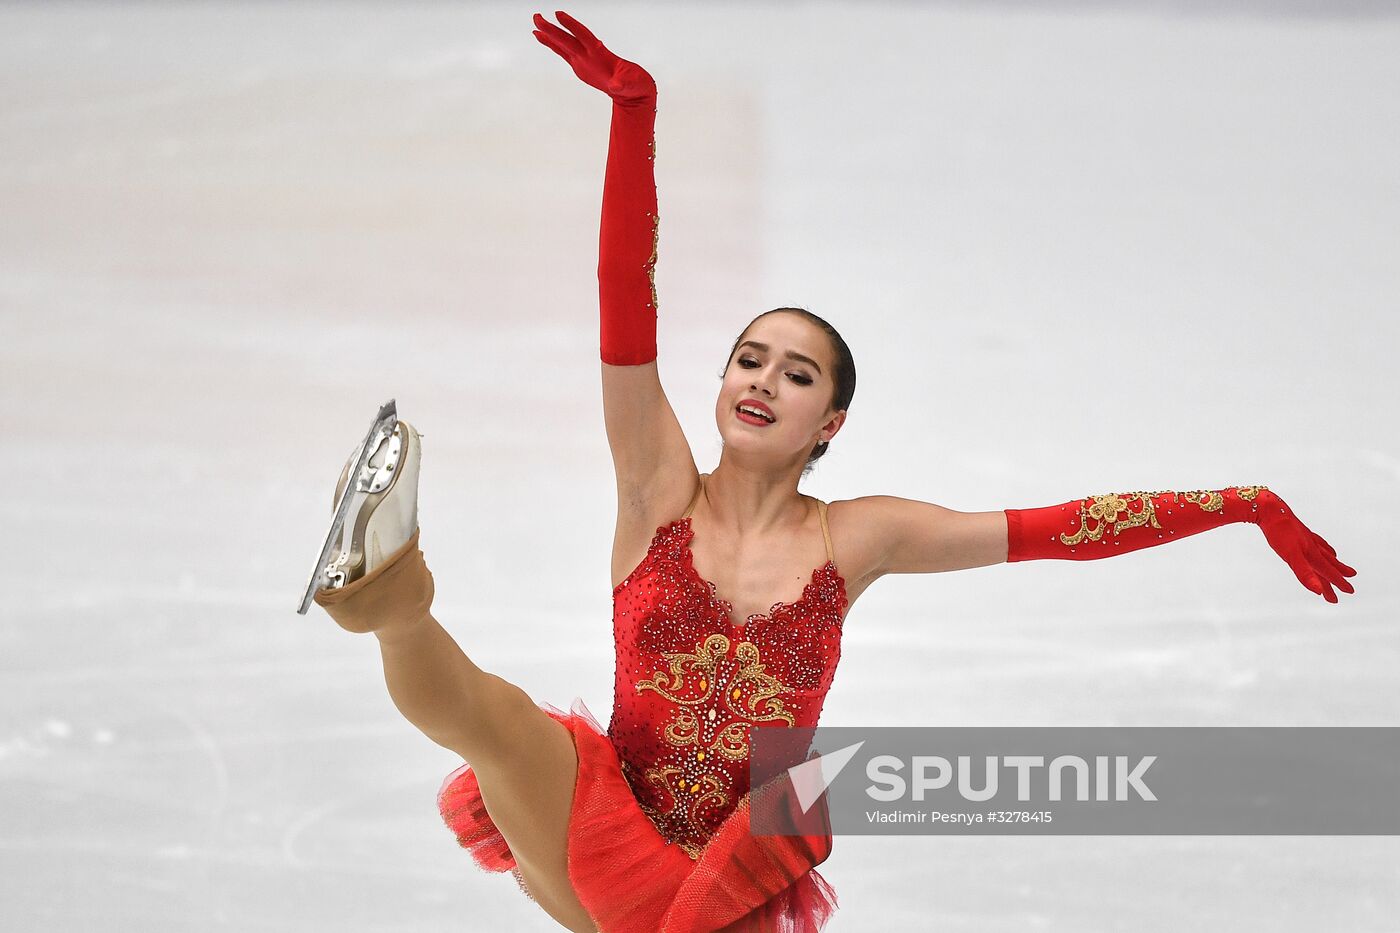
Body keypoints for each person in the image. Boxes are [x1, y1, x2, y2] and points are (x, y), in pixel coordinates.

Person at [307, 10, 1357, 932]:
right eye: (747, 359)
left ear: (831, 421)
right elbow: (625, 300)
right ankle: (389, 589)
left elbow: (1059, 527)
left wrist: (1242, 505)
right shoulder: (655, 487)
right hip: (597, 820)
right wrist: (635, 118)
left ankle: (393, 595)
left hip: (728, 876)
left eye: (795, 373)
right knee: (500, 722)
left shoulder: (857, 537)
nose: (761, 380)